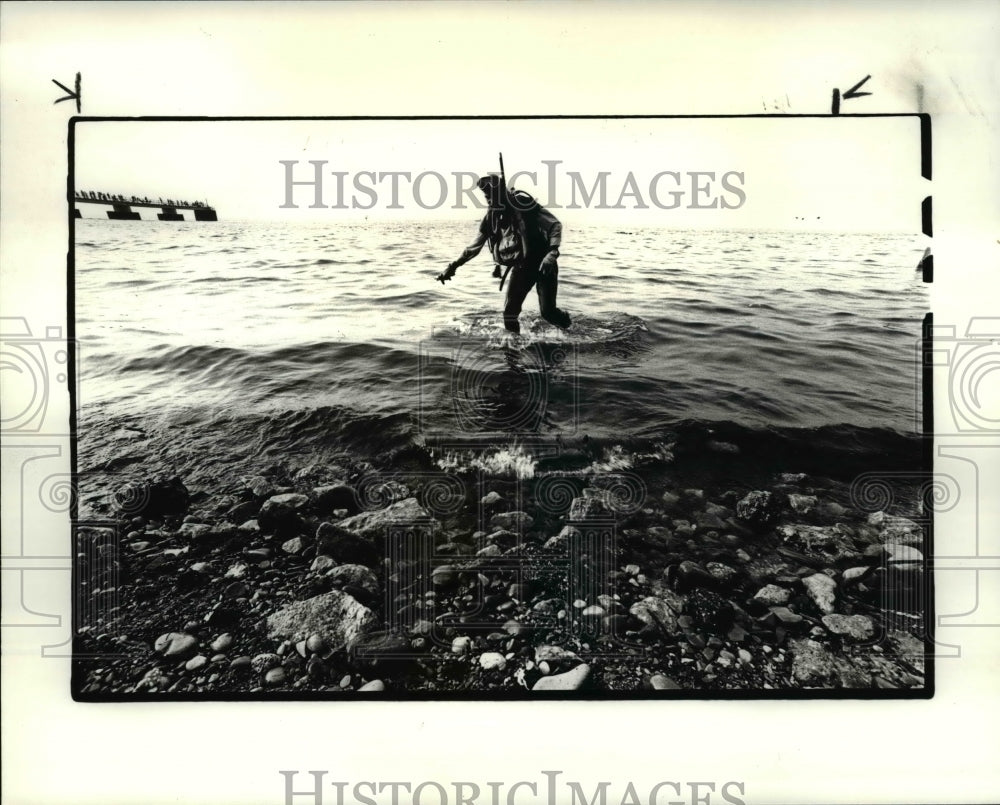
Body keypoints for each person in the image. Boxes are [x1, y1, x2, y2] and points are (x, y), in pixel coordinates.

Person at [438, 174, 571, 334]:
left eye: (491, 196)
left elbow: (555, 225)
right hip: (522, 267)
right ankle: (514, 352)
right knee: (509, 314)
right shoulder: (490, 219)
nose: (488, 200)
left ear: (501, 193)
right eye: (486, 196)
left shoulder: (523, 204)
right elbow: (473, 247)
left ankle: (571, 331)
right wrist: (453, 266)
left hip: (544, 264)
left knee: (548, 312)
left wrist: (552, 253)